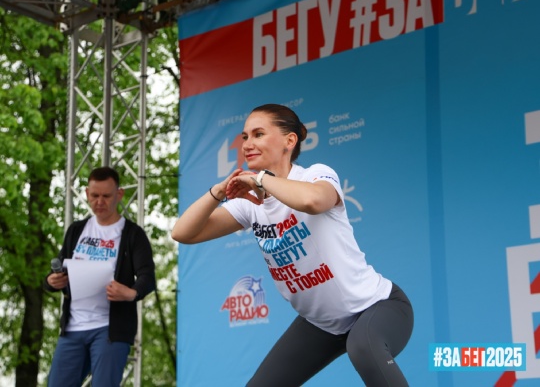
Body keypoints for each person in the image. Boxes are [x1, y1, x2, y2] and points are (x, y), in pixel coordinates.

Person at [171, 104, 414, 386]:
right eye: (245, 137)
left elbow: (313, 201)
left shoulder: (314, 175)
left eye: (258, 134)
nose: (247, 144)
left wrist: (261, 179)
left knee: (362, 347)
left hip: (378, 307)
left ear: (289, 141)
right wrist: (218, 191)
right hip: (322, 325)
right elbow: (183, 232)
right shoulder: (249, 205)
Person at [44, 166, 156, 387]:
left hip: (110, 329)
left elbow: (147, 277)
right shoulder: (76, 230)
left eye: (106, 196)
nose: (100, 202)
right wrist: (51, 281)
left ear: (119, 194)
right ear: (86, 193)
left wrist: (130, 293)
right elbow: (58, 270)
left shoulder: (133, 234)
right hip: (73, 327)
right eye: (94, 195)